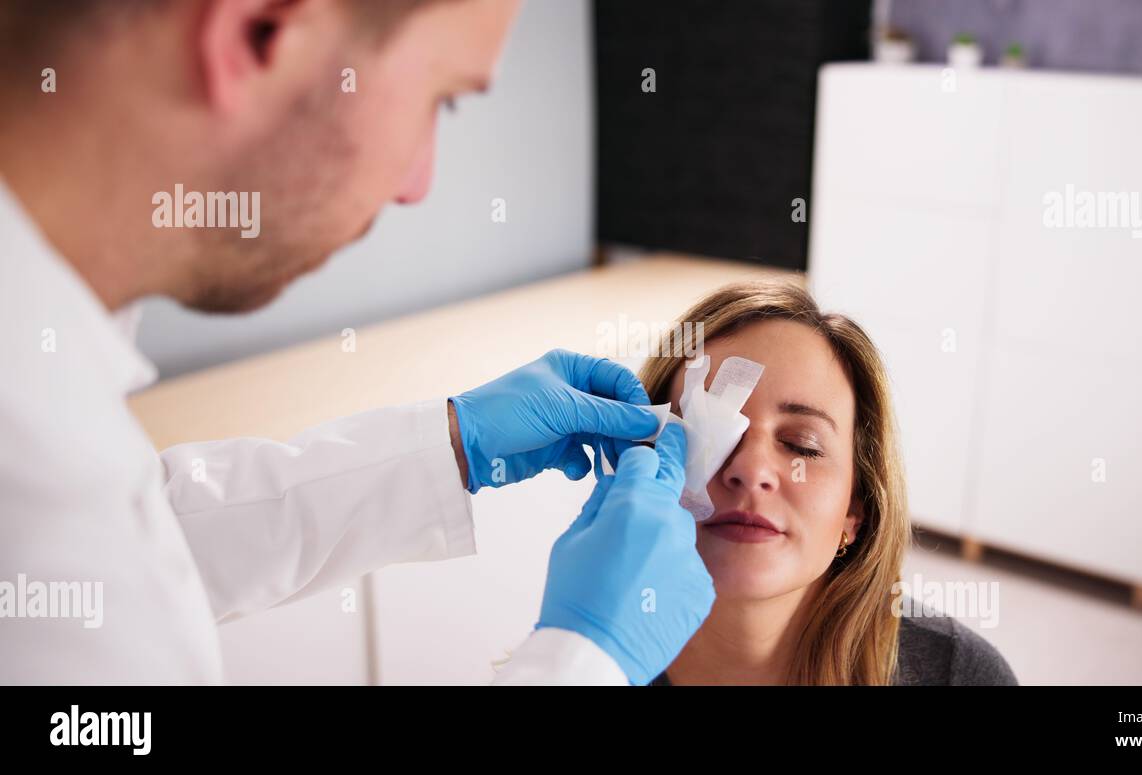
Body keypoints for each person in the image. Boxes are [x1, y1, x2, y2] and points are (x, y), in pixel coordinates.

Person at [0, 0, 712, 686]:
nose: (417, 186)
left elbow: (148, 540)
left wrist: (451, 444)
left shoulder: (48, 408)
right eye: (442, 100)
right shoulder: (33, 488)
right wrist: (585, 658)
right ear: (258, 32)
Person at [634, 280, 1017, 685]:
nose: (751, 470)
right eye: (706, 432)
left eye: (803, 445)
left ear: (855, 508)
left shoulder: (959, 674)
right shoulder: (591, 655)